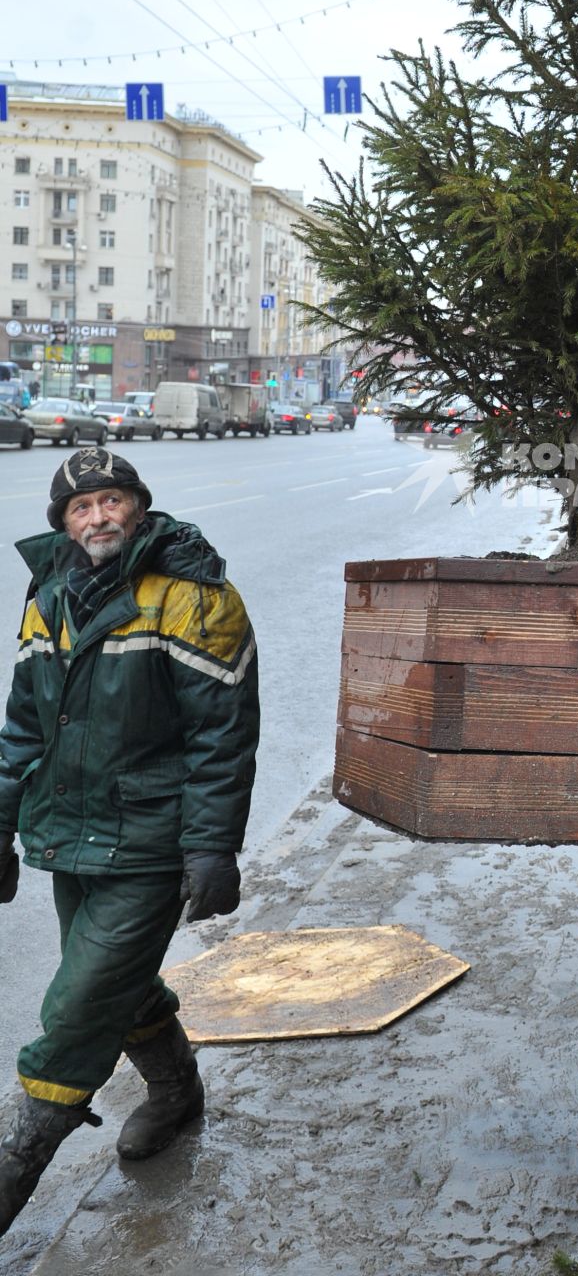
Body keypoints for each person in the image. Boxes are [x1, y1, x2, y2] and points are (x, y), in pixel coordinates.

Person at [0, 448, 259, 1236]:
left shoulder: (193, 597)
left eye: (113, 500)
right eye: (81, 508)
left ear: (138, 509)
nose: (99, 517)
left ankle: (12, 1179)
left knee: (77, 1009)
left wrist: (213, 847)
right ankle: (176, 1091)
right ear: (64, 524)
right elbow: (21, 725)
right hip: (71, 836)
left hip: (149, 842)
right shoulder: (49, 595)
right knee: (117, 981)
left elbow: (223, 734)